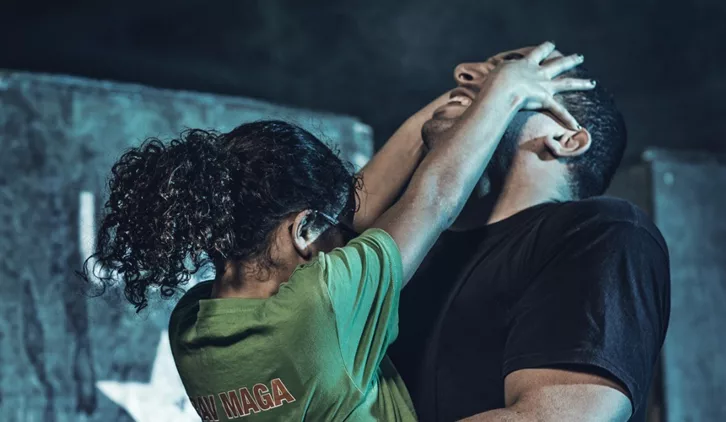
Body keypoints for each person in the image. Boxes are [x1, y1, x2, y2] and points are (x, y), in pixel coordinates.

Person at [83, 42, 594, 421]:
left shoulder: (192, 323)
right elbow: (434, 196)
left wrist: (465, 94)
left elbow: (358, 208)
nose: (346, 233)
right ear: (303, 231)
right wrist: (504, 90)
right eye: (332, 227)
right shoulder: (320, 306)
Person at [388, 46, 671, 422]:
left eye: (516, 71)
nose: (463, 73)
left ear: (566, 139)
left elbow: (552, 417)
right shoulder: (414, 255)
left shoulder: (601, 232)